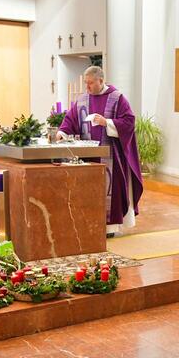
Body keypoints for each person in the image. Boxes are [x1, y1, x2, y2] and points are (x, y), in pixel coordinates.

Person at [57, 66, 143, 235]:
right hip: (88, 157)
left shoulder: (117, 98)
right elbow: (70, 120)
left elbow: (129, 122)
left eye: (90, 83)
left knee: (111, 190)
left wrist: (107, 122)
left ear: (101, 81)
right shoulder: (82, 100)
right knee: (88, 191)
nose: (87, 87)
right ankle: (90, 224)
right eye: (85, 83)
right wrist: (61, 133)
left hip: (111, 156)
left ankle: (109, 228)